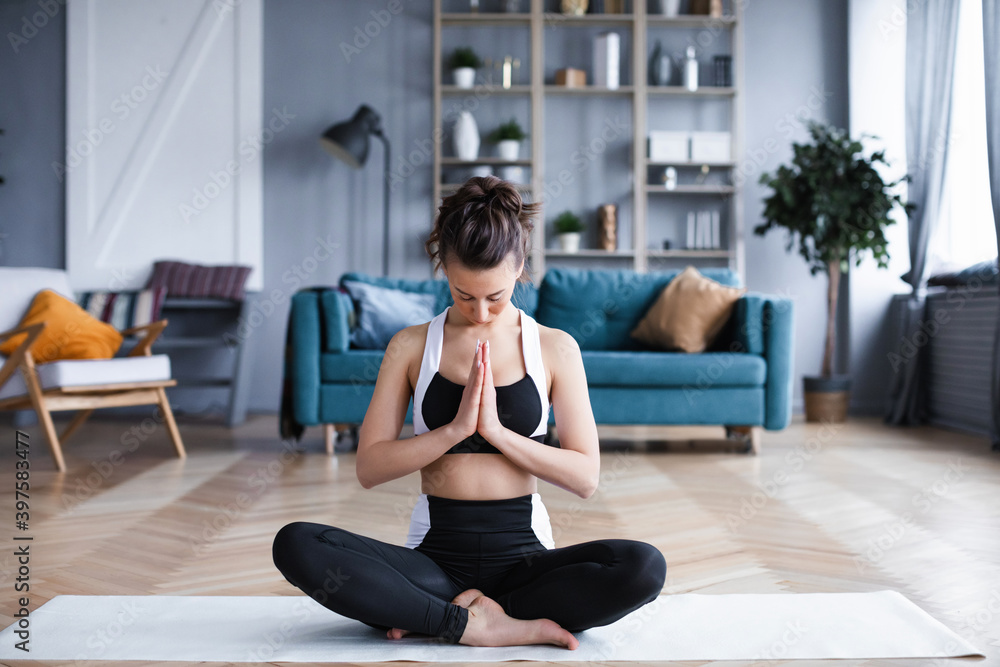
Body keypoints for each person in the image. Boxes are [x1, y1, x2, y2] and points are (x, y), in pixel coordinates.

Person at [272, 176, 666, 649]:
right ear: (444, 270)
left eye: (495, 297)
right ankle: (474, 624)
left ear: (520, 266)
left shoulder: (555, 348)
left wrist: (497, 432)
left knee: (644, 566)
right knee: (295, 543)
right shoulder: (411, 346)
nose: (479, 313)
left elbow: (585, 478)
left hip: (525, 565)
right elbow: (370, 468)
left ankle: (440, 618)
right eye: (464, 295)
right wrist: (454, 430)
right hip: (434, 564)